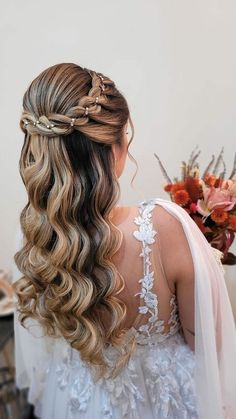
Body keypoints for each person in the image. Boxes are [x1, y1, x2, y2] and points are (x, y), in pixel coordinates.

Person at [12, 63, 236, 419]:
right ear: (115, 147)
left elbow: (45, 355)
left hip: (73, 405)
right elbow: (209, 347)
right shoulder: (165, 227)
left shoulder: (37, 234)